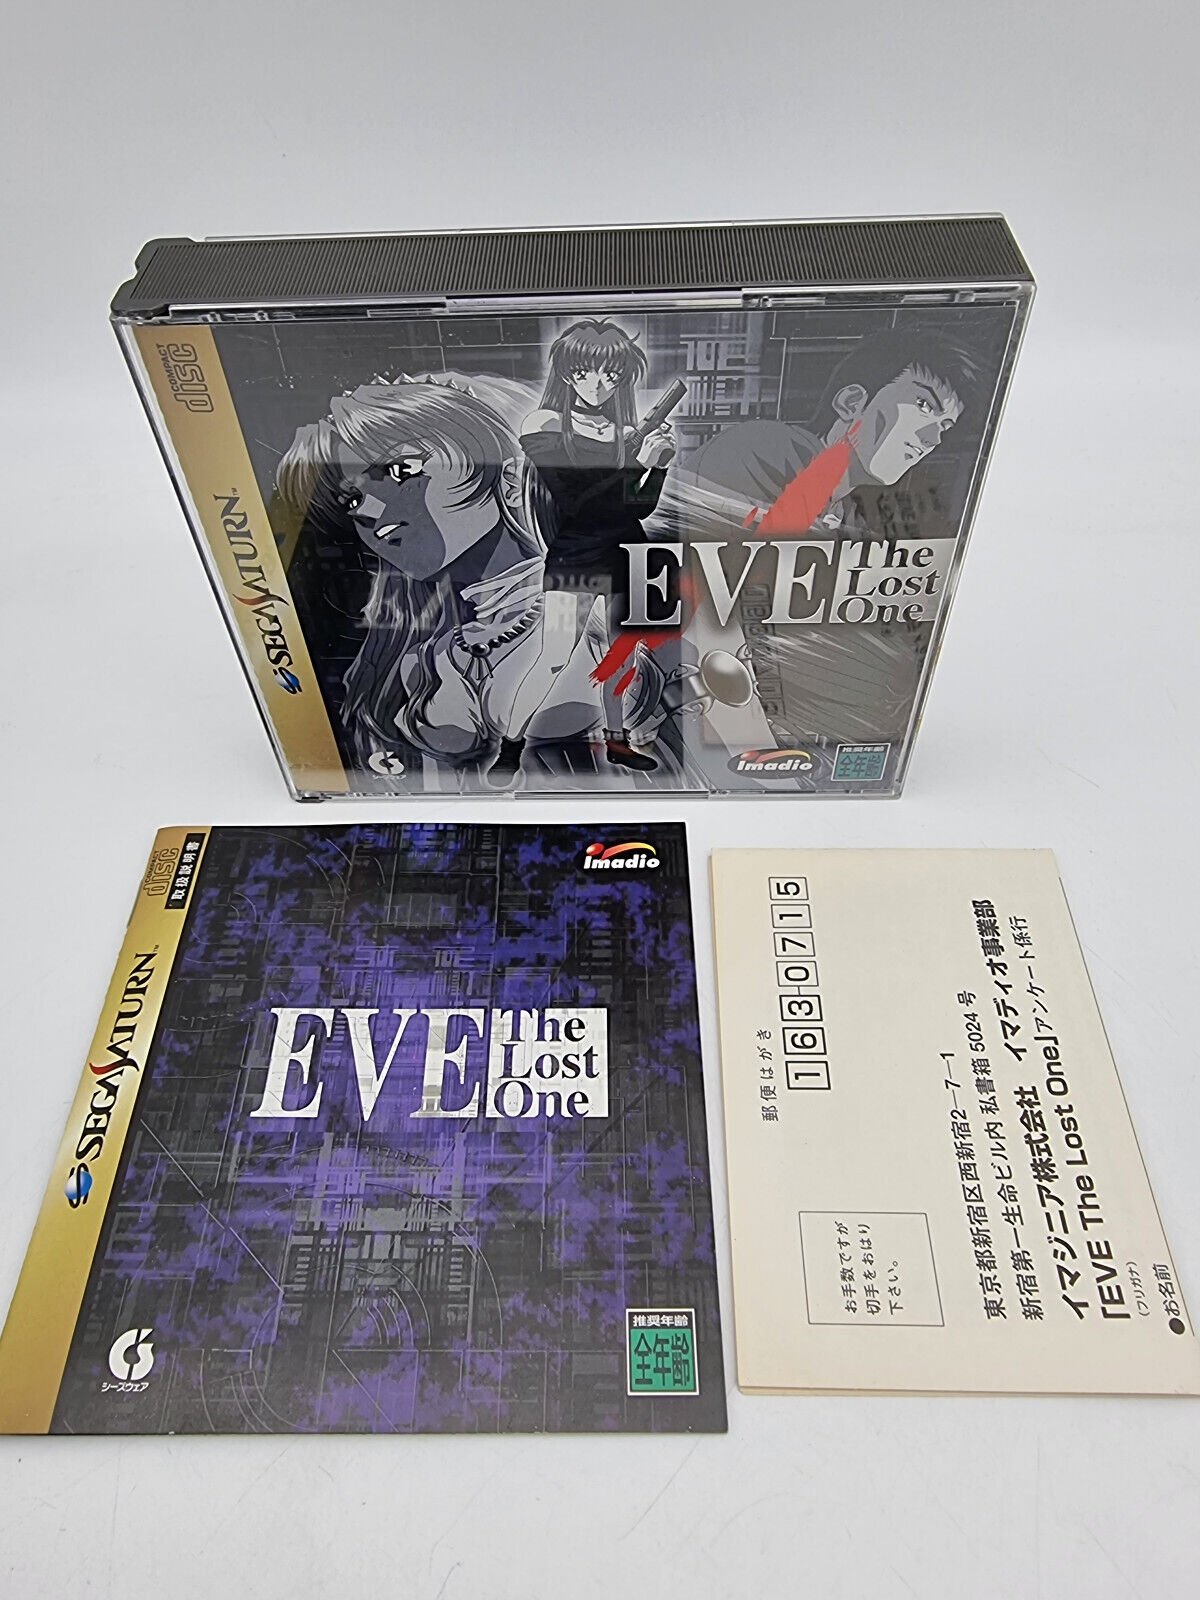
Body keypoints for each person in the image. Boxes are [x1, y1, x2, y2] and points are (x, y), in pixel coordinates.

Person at [275, 378, 549, 774]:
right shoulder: (420, 657)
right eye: (352, 500)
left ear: (502, 473)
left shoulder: (592, 612)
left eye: (400, 471)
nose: (371, 516)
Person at [486, 319, 675, 786]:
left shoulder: (625, 430)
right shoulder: (545, 424)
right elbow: (576, 501)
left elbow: (637, 507)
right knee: (553, 656)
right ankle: (510, 747)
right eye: (586, 372)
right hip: (574, 557)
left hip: (628, 554)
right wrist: (638, 461)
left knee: (620, 658)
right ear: (567, 373)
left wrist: (658, 467)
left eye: (612, 374)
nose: (599, 384)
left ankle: (617, 741)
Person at [690, 330, 980, 536]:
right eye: (924, 405)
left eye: (944, 426)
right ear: (852, 403)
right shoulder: (767, 451)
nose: (933, 439)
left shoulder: (844, 512)